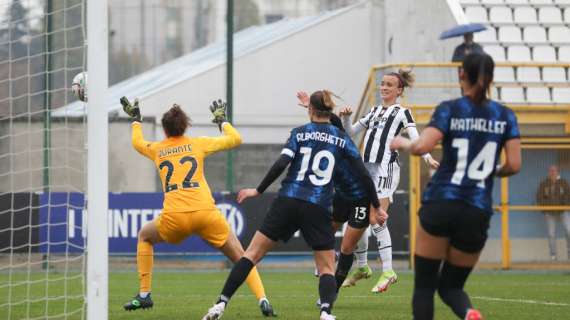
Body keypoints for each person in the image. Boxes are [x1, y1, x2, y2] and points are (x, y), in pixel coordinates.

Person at [202, 90, 386, 320]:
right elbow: (364, 175)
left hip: (287, 200)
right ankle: (326, 312)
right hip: (317, 205)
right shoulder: (341, 139)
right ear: (329, 112)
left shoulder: (299, 133)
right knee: (327, 267)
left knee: (250, 255)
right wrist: (377, 206)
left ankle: (219, 305)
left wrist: (257, 190)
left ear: (310, 110)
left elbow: (281, 163)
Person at [390, 53, 521, 320]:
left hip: (442, 202)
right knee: (451, 286)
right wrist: (488, 172)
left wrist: (402, 142)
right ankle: (469, 312)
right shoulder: (505, 115)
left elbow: (423, 146)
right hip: (476, 210)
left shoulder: (450, 108)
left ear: (461, 75)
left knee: (425, 286)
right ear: (492, 78)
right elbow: (514, 165)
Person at [119, 97, 276, 317]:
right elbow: (235, 138)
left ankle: (144, 295)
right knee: (242, 256)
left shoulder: (157, 149)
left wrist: (136, 119)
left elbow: (137, 143)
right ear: (185, 127)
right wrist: (221, 121)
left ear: (164, 130)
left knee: (145, 236)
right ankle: (263, 300)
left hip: (175, 218)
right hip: (205, 213)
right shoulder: (197, 144)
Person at [339, 69, 439, 293]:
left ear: (399, 90)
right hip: (366, 170)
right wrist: (346, 118)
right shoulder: (373, 111)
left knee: (376, 218)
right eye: (382, 84)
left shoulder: (403, 112)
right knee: (357, 219)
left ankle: (388, 271)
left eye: (389, 85)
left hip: (386, 170)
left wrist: (427, 157)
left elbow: (415, 138)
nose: (384, 87)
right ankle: (363, 267)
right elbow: (350, 133)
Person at [295, 91, 383, 293]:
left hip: (360, 196)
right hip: (342, 194)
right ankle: (330, 259)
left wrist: (376, 206)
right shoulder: (324, 136)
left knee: (347, 247)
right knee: (323, 232)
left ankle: (331, 292)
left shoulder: (341, 140)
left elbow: (364, 177)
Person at [536, 165, 570, 260]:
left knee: (569, 231)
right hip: (550, 213)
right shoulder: (544, 183)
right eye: (550, 171)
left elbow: (568, 195)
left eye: (554, 171)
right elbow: (539, 197)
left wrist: (564, 205)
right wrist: (545, 209)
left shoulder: (564, 183)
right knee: (551, 234)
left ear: (558, 172)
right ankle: (553, 255)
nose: (552, 172)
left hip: (563, 212)